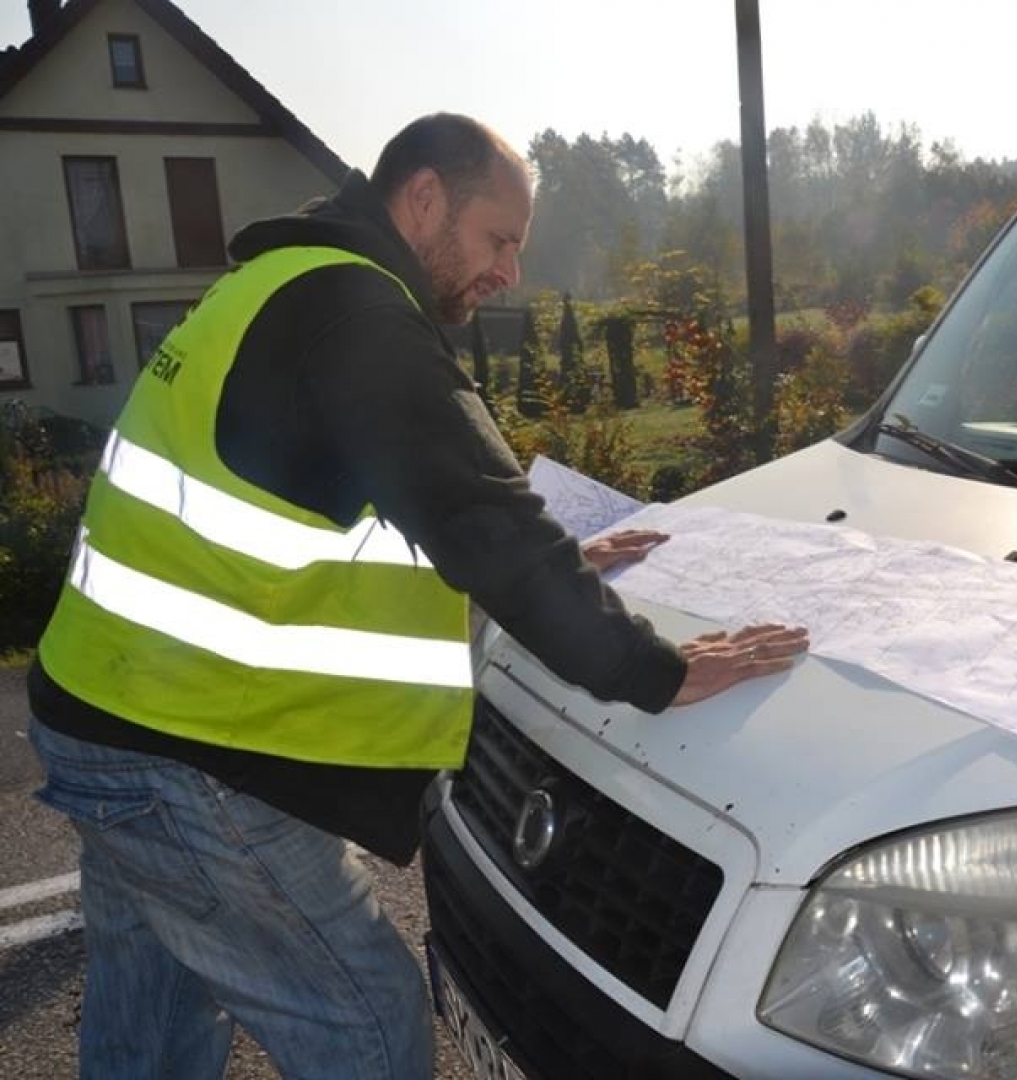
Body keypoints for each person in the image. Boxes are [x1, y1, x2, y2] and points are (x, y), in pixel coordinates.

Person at [26, 112, 808, 1079]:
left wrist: (546, 562)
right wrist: (657, 667)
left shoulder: (275, 285)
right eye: (500, 240)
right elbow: (478, 511)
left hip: (109, 716)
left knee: (152, 1030)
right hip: (184, 759)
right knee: (369, 1026)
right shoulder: (355, 311)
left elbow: (382, 511)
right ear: (425, 197)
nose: (508, 272)